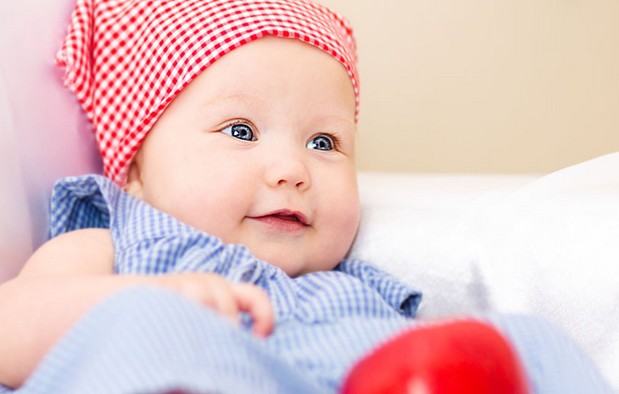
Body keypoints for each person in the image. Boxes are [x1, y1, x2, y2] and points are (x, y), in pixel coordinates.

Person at [0, 0, 612, 393]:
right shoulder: (111, 240)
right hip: (199, 368)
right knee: (150, 324)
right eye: (240, 132)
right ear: (134, 164)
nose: (293, 169)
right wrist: (139, 296)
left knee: (527, 339)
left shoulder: (349, 282)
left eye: (324, 141)